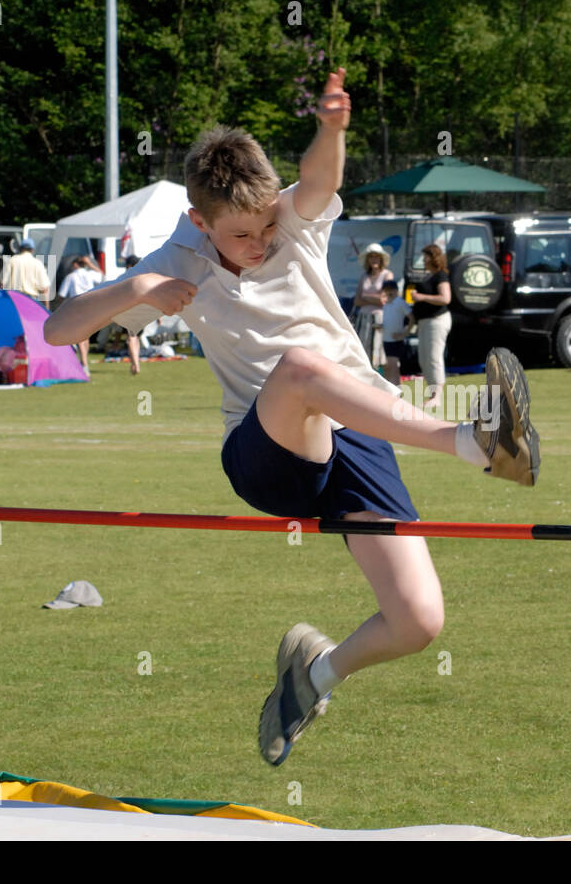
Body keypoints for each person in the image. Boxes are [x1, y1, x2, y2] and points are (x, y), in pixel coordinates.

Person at [42, 67, 540, 767]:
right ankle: (474, 444)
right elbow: (57, 332)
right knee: (302, 368)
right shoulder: (176, 258)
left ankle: (313, 677)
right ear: (199, 222)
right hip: (267, 454)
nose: (260, 241)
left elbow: (317, 183)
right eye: (242, 233)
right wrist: (137, 286)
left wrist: (331, 130)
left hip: (356, 437)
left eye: (267, 223)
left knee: (419, 620)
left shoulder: (289, 223)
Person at [412, 244, 452, 412]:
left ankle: (437, 397)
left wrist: (421, 297)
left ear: (433, 257)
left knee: (434, 357)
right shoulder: (428, 276)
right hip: (424, 322)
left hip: (437, 320)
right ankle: (432, 394)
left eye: (426, 256)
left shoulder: (441, 275)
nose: (424, 259)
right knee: (424, 359)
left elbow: (445, 298)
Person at [58, 255, 104, 368]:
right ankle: (84, 360)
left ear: (75, 264)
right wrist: (90, 264)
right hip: (90, 306)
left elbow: (62, 294)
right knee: (86, 335)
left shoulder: (71, 276)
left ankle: (83, 361)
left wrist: (61, 306)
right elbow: (102, 275)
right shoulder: (89, 274)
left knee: (79, 334)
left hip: (77, 306)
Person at [353, 243, 394, 365]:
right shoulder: (364, 276)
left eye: (376, 256)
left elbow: (385, 300)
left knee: (378, 352)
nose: (374, 259)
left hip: (379, 319)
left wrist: (365, 296)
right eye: (371, 256)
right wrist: (375, 298)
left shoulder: (387, 274)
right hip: (363, 319)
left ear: (381, 258)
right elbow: (356, 301)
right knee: (363, 352)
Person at [380, 280, 413, 385]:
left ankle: (396, 390)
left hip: (396, 340)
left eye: (391, 290)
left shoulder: (400, 302)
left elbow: (412, 318)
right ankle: (390, 390)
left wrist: (405, 333)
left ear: (396, 290)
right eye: (386, 290)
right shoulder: (386, 305)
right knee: (388, 366)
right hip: (386, 339)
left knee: (393, 365)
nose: (389, 292)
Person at [1, 238, 51, 303]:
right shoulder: (38, 263)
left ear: (21, 248)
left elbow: (2, 284)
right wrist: (46, 308)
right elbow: (44, 289)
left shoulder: (11, 261)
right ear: (32, 250)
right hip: (30, 302)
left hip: (13, 301)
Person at [122, 254, 144, 375]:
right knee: (136, 337)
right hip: (141, 311)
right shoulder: (141, 276)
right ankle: (136, 363)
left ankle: (135, 364)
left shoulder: (126, 277)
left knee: (131, 338)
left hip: (129, 311)